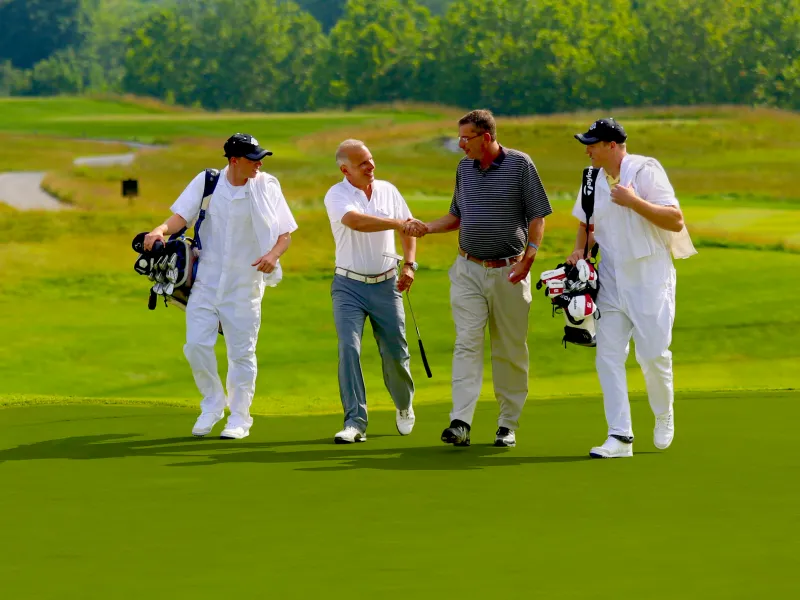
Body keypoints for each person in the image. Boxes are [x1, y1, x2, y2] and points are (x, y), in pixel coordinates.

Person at [407, 109, 552, 448]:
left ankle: (507, 424)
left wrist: (529, 258)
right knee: (467, 343)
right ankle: (460, 422)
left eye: (466, 138)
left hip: (510, 272)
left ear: (485, 137)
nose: (460, 145)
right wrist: (427, 227)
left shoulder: (520, 165)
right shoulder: (464, 169)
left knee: (510, 349)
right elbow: (457, 215)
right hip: (467, 270)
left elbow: (538, 217)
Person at [143, 133, 298, 439]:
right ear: (234, 161)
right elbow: (180, 218)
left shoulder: (267, 186)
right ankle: (213, 403)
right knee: (196, 345)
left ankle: (239, 418)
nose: (259, 164)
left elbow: (285, 233)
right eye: (253, 159)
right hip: (207, 280)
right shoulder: (208, 182)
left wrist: (272, 256)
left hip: (246, 284)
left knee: (241, 354)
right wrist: (159, 230)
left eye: (261, 158)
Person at [568, 118, 697, 458]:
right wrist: (579, 249)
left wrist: (634, 201)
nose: (587, 150)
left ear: (612, 145)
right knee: (607, 356)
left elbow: (675, 220)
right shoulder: (590, 178)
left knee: (653, 355)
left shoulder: (645, 171)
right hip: (611, 276)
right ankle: (620, 437)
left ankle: (663, 413)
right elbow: (586, 224)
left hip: (650, 275)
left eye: (593, 144)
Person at [323, 139, 421, 444]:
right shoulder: (337, 195)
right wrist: (397, 224)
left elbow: (409, 231)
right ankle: (354, 422)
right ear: (345, 169)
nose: (371, 166)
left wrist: (410, 265)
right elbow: (356, 222)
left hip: (387, 284)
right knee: (348, 349)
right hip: (348, 286)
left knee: (395, 352)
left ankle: (404, 405)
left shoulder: (388, 190)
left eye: (371, 159)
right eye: (362, 163)